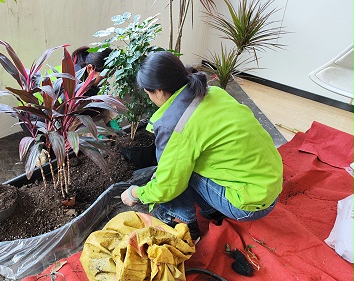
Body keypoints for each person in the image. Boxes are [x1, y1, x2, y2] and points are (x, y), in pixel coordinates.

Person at [120, 51, 283, 241]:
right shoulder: (212, 92)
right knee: (181, 162)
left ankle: (182, 222)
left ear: (159, 91)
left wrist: (136, 193)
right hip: (269, 183)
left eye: (148, 93)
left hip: (248, 203)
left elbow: (167, 186)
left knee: (174, 173)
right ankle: (213, 210)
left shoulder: (176, 126)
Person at [72, 46, 121, 131]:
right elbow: (73, 115)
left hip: (85, 108)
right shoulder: (74, 83)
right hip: (67, 122)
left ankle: (115, 128)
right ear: (90, 69)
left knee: (108, 100)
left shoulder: (89, 73)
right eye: (104, 77)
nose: (105, 81)